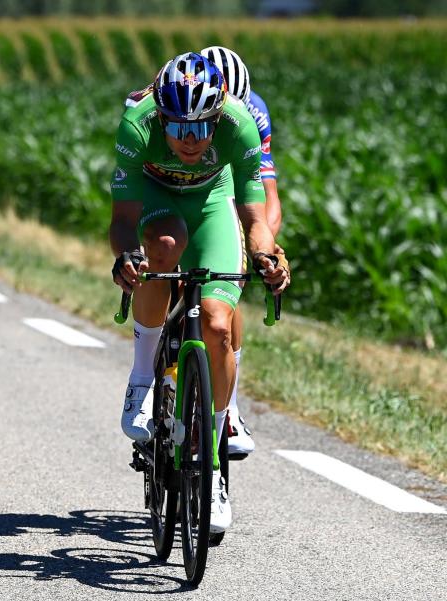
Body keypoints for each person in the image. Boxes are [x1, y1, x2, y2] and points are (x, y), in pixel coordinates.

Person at [110, 52, 290, 533]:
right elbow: (123, 220)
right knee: (163, 250)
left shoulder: (240, 125)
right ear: (162, 117)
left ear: (218, 116)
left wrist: (268, 256)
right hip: (157, 199)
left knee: (215, 322)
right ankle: (142, 380)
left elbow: (255, 217)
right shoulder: (137, 123)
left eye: (201, 129)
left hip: (213, 201)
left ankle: (211, 467)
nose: (190, 141)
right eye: (179, 129)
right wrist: (128, 257)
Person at [199, 46, 282, 457]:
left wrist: (262, 248)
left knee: (226, 293)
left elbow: (267, 196)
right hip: (193, 182)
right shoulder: (183, 101)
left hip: (236, 186)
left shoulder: (254, 113)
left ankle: (228, 408)